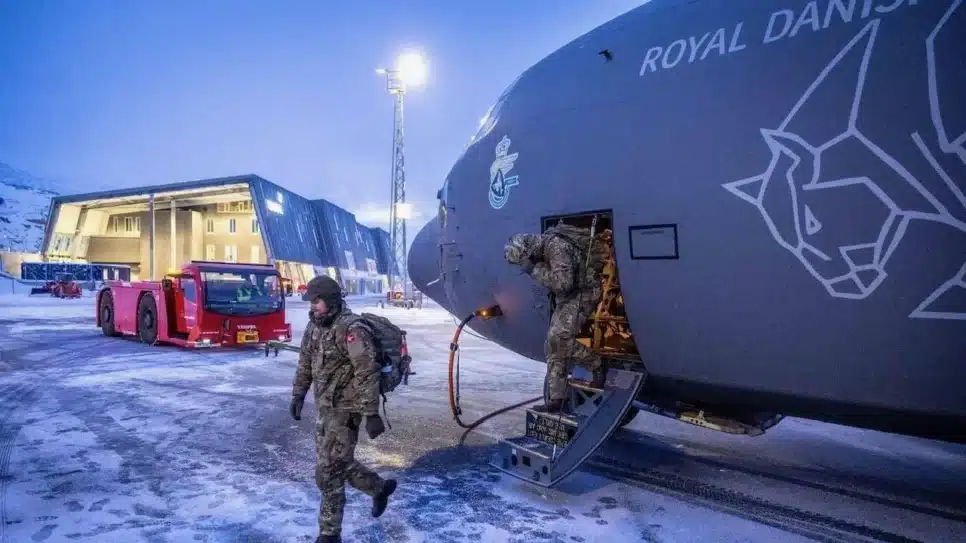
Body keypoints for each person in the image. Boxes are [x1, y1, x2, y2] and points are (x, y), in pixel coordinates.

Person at [290, 275, 397, 543]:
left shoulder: (352, 329)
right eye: (311, 301)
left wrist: (371, 413)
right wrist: (298, 394)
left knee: (329, 471)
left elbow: (367, 371)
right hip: (326, 408)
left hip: (348, 409)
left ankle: (329, 533)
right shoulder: (315, 326)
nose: (312, 306)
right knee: (337, 462)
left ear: (332, 300)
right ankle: (378, 488)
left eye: (317, 301)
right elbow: (305, 362)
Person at [504, 223, 607, 413]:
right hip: (568, 298)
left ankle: (596, 362)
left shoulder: (557, 247)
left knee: (560, 337)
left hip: (583, 294)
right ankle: (556, 399)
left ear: (530, 252)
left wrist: (534, 270)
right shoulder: (546, 249)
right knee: (552, 345)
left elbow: (564, 285)